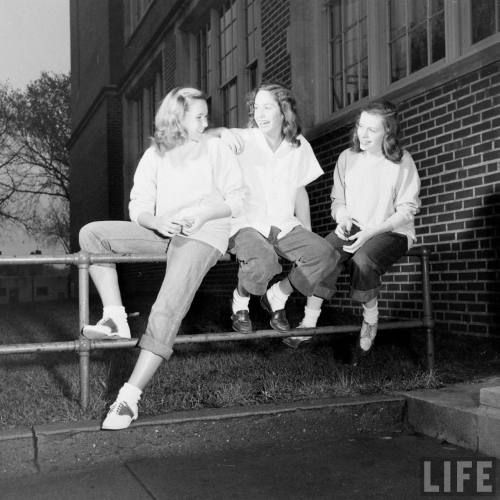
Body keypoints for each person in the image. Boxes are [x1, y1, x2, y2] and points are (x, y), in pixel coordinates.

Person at [79, 87, 246, 430]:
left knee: (166, 306)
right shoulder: (156, 154)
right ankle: (115, 318)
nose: (205, 122)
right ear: (176, 118)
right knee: (92, 235)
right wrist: (157, 221)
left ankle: (129, 397)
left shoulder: (216, 149)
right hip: (163, 232)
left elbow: (238, 199)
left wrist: (202, 215)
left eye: (205, 116)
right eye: (198, 116)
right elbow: (138, 204)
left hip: (204, 234)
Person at [285, 100, 421, 351]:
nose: (363, 134)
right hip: (354, 226)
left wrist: (371, 232)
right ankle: (308, 323)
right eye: (361, 126)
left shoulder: (402, 161)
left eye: (372, 129)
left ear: (388, 131)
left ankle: (370, 319)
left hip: (392, 230)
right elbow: (338, 201)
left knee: (363, 260)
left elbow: (406, 211)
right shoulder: (347, 158)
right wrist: (343, 217)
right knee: (323, 254)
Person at [214, 83, 336, 334]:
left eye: (267, 107)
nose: (260, 114)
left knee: (325, 254)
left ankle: (277, 296)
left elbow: (300, 190)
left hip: (284, 223)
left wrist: (308, 230)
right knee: (264, 260)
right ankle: (240, 301)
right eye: (256, 107)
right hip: (246, 223)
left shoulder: (299, 146)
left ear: (284, 111)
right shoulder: (243, 138)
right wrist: (223, 133)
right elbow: (201, 136)